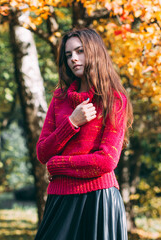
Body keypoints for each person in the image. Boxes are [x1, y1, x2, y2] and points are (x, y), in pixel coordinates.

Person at [35, 28, 133, 240]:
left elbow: (106, 161)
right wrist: (72, 123)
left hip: (99, 199)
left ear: (95, 52)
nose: (74, 59)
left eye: (80, 51)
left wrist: (57, 165)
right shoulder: (59, 99)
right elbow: (43, 152)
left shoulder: (113, 100)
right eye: (69, 55)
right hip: (60, 198)